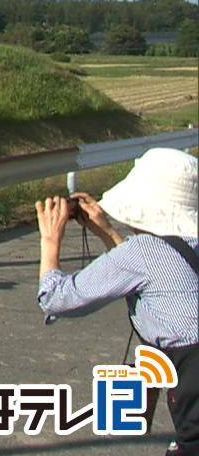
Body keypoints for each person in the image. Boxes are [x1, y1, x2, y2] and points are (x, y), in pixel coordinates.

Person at [35, 148, 198, 455]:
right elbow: (159, 281)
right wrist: (108, 233)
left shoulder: (142, 252)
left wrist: (49, 239)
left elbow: (56, 299)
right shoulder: (186, 247)